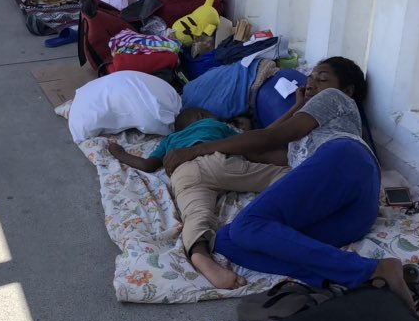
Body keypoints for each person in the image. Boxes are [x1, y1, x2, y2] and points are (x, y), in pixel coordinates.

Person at [162, 56, 414, 306]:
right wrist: (296, 108)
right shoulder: (301, 145)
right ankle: (339, 279)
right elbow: (257, 151)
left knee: (247, 225)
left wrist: (196, 150)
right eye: (310, 77)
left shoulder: (335, 99)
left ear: (347, 90)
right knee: (229, 240)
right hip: (352, 214)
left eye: (322, 78)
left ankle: (371, 269)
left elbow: (268, 137)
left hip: (346, 160)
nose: (312, 83)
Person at [109, 108, 288, 289]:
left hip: (183, 174)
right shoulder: (214, 125)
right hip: (216, 161)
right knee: (281, 176)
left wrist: (119, 153)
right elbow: (249, 147)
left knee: (195, 215)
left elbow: (147, 165)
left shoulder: (170, 140)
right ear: (201, 117)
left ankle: (199, 253)